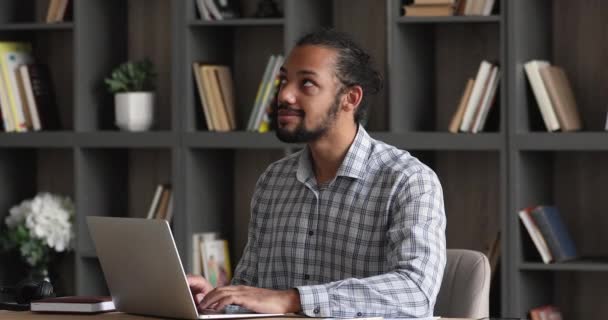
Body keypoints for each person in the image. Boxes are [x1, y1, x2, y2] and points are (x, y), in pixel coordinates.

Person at [188, 29, 446, 318]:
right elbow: (253, 292)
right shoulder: (273, 181)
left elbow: (415, 292)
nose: (284, 94)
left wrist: (293, 300)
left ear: (350, 98)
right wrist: (214, 302)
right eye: (284, 80)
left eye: (307, 83)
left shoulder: (409, 180)